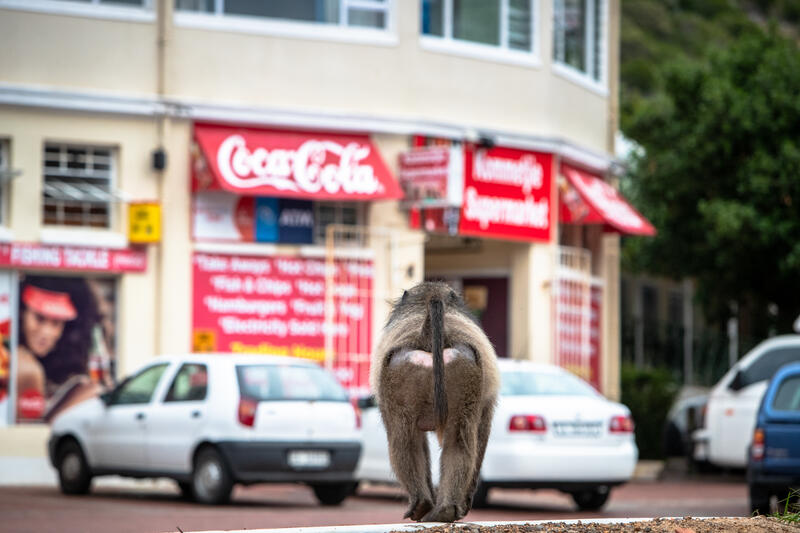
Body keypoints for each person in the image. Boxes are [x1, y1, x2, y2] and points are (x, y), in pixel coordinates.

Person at [16, 276, 100, 421]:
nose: (46, 332)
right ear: (22, 314)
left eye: (56, 323)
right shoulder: (27, 368)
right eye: (39, 318)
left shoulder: (72, 378)